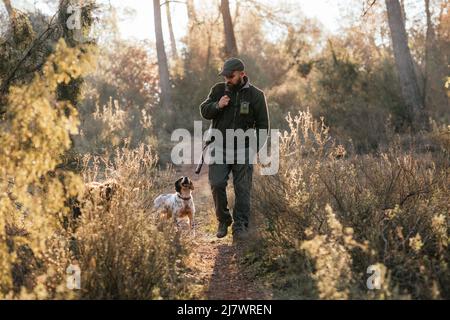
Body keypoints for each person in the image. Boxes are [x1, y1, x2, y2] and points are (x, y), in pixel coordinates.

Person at [199, 57, 270, 240]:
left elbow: (263, 126)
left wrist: (253, 150)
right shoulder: (218, 90)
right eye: (224, 76)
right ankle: (223, 220)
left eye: (230, 76)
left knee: (243, 189)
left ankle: (240, 226)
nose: (227, 80)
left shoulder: (256, 95)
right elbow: (204, 110)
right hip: (220, 146)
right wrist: (217, 105)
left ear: (242, 74)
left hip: (244, 149)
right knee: (216, 183)